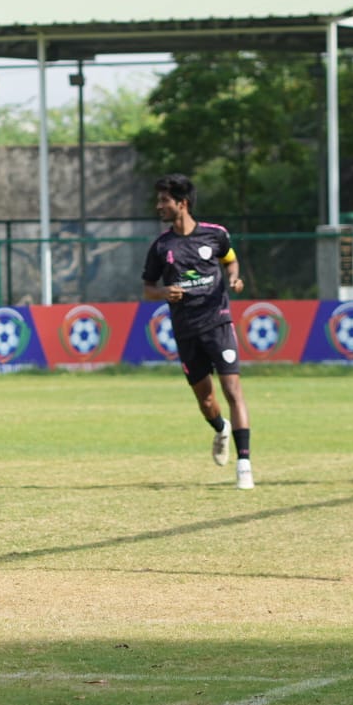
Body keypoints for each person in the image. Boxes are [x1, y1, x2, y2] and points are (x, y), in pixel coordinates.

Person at [141, 173, 254, 489]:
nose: (159, 205)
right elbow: (148, 288)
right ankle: (221, 429)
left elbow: (230, 261)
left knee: (233, 390)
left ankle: (244, 465)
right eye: (159, 199)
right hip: (186, 331)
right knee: (206, 402)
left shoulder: (215, 235)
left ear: (182, 203)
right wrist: (164, 293)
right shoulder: (162, 246)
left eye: (164, 200)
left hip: (218, 323)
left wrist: (234, 278)